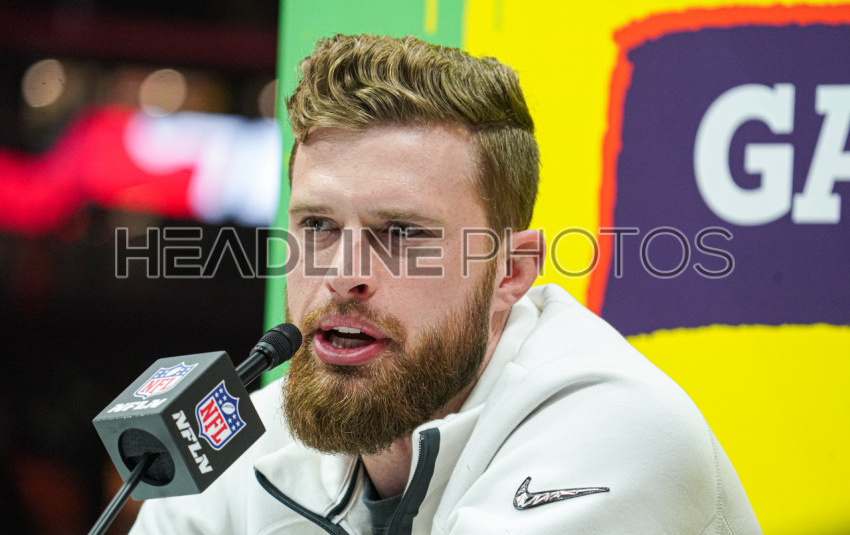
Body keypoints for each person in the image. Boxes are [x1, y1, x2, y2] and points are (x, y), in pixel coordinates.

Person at [131, 34, 761, 534]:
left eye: (403, 232)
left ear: (510, 272)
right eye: (318, 225)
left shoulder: (614, 430)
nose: (343, 275)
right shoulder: (232, 441)